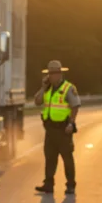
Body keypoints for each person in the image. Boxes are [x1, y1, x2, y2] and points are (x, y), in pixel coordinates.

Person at [33, 60, 81, 195]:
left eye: (54, 73)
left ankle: (70, 185)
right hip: (50, 129)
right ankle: (48, 184)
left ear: (60, 74)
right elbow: (37, 101)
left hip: (63, 129)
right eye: (50, 73)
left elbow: (75, 106)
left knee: (67, 158)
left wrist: (71, 123)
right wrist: (43, 87)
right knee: (50, 158)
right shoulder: (47, 89)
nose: (52, 76)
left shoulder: (68, 88)